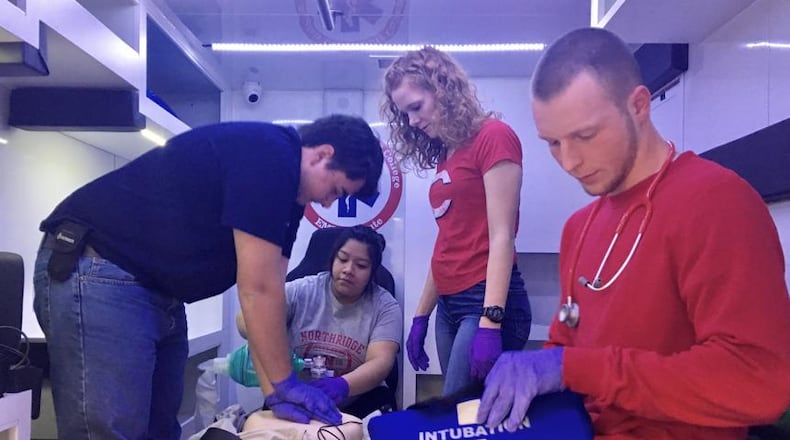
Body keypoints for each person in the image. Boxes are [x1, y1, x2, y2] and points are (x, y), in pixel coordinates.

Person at [477, 27, 790, 439]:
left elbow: (759, 381)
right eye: (552, 142)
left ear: (639, 105)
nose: (569, 161)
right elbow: (568, 340)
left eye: (585, 136)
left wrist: (573, 368)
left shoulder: (718, 203)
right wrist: (531, 376)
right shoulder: (579, 228)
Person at [32, 115, 384, 439]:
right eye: (336, 190)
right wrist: (284, 383)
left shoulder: (291, 200)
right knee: (111, 431)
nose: (327, 203)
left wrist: (273, 391)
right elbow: (257, 289)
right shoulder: (271, 155)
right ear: (323, 154)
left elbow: (272, 289)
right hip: (102, 272)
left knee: (158, 430)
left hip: (157, 292)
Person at [381, 46, 532, 396]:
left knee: (467, 418)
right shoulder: (447, 154)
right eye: (405, 115)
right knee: (458, 414)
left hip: (484, 301)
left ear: (443, 90)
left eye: (416, 108)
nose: (412, 121)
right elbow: (448, 240)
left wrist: (491, 320)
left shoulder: (493, 136)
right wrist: (421, 315)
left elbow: (502, 236)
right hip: (449, 305)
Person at [237, 225, 402, 418]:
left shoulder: (385, 307)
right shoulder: (301, 290)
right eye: (342, 259)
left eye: (361, 265)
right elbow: (246, 319)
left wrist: (343, 385)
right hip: (296, 398)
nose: (348, 269)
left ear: (372, 272)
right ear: (332, 259)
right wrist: (268, 335)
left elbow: (381, 362)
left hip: (357, 399)